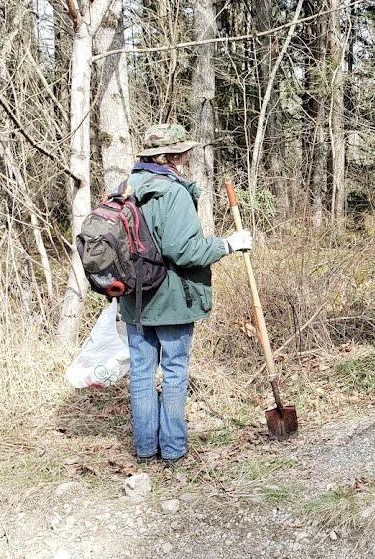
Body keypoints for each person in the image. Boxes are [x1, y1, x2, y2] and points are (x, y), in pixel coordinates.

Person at [117, 123, 253, 466]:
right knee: (175, 371)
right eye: (184, 152)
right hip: (171, 299)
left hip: (133, 299)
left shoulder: (126, 187)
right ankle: (174, 451)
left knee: (142, 373)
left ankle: (146, 451)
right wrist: (227, 244)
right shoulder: (172, 192)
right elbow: (183, 250)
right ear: (173, 155)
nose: (187, 157)